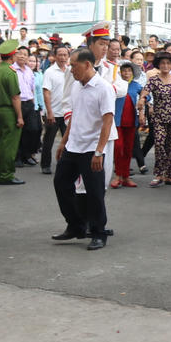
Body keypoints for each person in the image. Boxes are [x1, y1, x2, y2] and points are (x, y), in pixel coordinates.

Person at [51, 49, 115, 250]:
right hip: (73, 146)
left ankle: (98, 233)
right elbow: (75, 116)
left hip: (92, 148)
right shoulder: (76, 86)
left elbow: (107, 121)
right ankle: (75, 225)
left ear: (87, 64)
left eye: (74, 65)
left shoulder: (104, 88)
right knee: (61, 183)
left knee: (94, 192)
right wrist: (63, 142)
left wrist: (99, 151)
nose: (71, 69)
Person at [140, 52, 171, 187]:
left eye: (168, 63)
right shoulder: (153, 80)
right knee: (159, 143)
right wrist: (142, 100)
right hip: (158, 118)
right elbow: (145, 92)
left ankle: (170, 175)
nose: (165, 65)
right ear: (158, 65)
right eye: (163, 63)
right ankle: (159, 174)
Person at [0, 40, 24, 186]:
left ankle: (1, 172)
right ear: (12, 56)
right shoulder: (10, 72)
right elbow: (15, 97)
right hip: (9, 111)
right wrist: (20, 116)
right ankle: (6, 174)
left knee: (0, 143)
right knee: (9, 144)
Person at [40, 43, 73, 176]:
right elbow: (46, 92)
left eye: (65, 55)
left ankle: (65, 165)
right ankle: (45, 165)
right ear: (55, 56)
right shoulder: (50, 72)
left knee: (68, 141)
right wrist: (50, 112)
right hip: (54, 112)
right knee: (49, 141)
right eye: (60, 55)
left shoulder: (71, 71)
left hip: (67, 113)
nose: (63, 57)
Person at [111, 61, 141, 188]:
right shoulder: (115, 84)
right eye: (124, 71)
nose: (127, 73)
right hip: (117, 121)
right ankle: (118, 175)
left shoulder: (136, 85)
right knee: (118, 148)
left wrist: (143, 99)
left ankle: (126, 176)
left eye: (129, 71)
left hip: (131, 121)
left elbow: (146, 95)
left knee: (128, 150)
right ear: (120, 72)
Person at [13, 46, 41, 167]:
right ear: (15, 55)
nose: (22, 56)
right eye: (20, 53)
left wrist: (33, 103)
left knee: (33, 130)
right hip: (18, 103)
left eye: (25, 54)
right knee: (19, 131)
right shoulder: (12, 70)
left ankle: (27, 155)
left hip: (29, 103)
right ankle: (18, 157)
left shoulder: (29, 71)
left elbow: (32, 88)